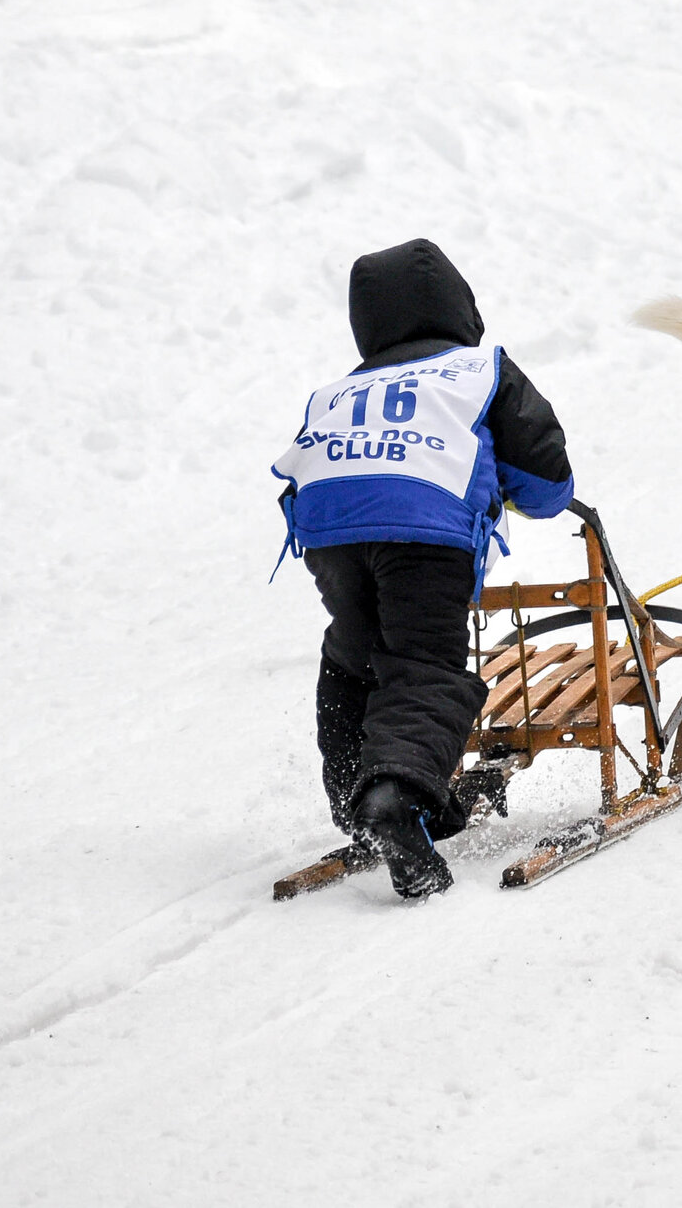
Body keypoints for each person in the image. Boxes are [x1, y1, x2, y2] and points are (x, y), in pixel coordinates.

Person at [271, 239, 575, 896]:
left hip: (325, 526)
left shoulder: (340, 389)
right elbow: (547, 482)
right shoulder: (479, 369)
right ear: (459, 307)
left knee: (354, 653)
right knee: (423, 665)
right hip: (422, 528)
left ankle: (357, 796)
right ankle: (393, 800)